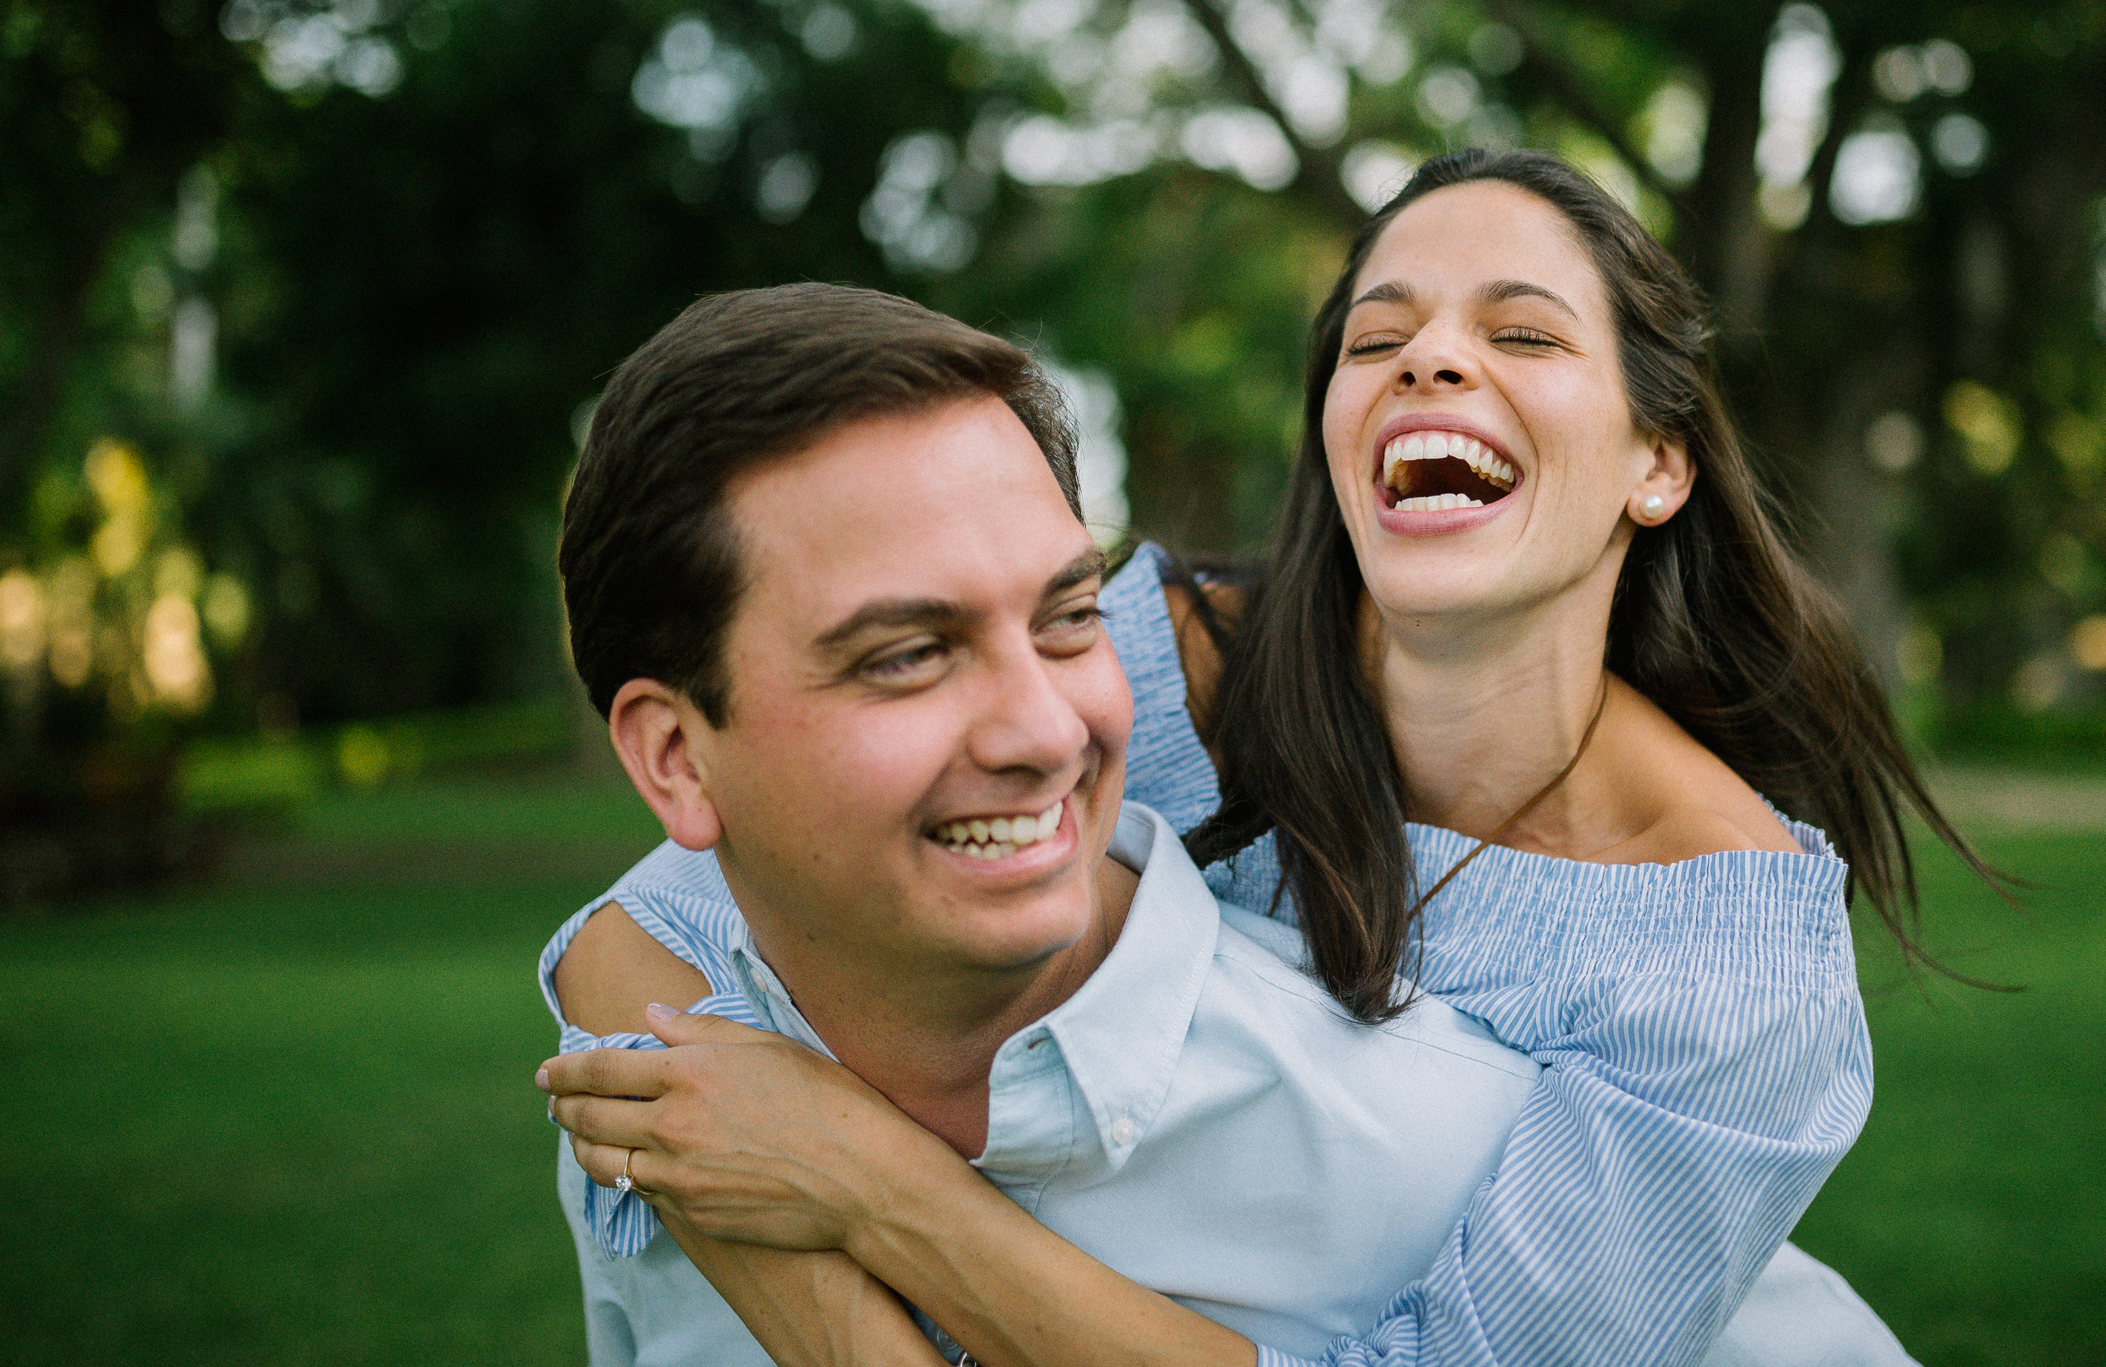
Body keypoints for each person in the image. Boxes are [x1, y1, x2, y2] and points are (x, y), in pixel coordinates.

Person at [550, 148, 1962, 1364]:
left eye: (1523, 335)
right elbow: (653, 919)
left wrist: (880, 1193)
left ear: (1658, 462)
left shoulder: (1726, 950)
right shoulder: (1160, 666)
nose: (1431, 355)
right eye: (1374, 336)